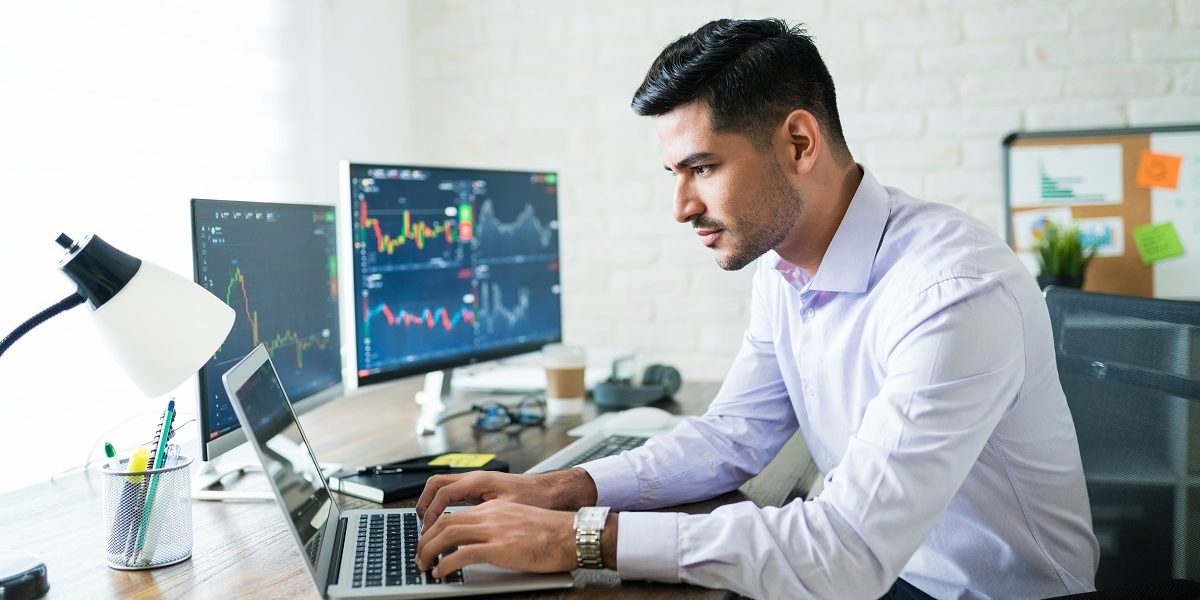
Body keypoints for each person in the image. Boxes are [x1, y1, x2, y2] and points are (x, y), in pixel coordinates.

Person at [415, 18, 1099, 600]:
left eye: (703, 168)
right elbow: (733, 436)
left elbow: (846, 551)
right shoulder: (785, 266)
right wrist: (569, 487)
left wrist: (582, 539)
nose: (681, 207)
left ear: (799, 143)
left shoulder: (953, 291)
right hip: (895, 576)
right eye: (674, 175)